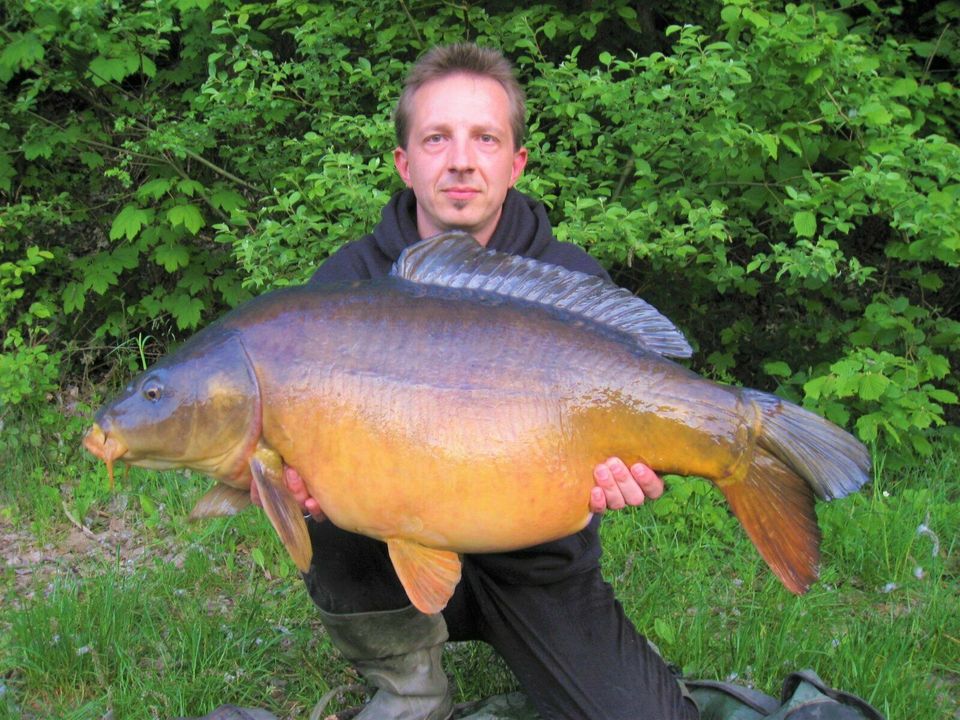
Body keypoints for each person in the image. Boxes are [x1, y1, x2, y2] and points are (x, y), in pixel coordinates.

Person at [202, 42, 697, 720]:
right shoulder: (343, 289)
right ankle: (408, 685)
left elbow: (639, 405)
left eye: (484, 138)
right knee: (334, 499)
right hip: (383, 557)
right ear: (405, 163)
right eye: (437, 138)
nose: (461, 160)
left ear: (515, 162)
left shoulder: (568, 280)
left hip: (539, 558)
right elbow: (264, 453)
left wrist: (627, 474)